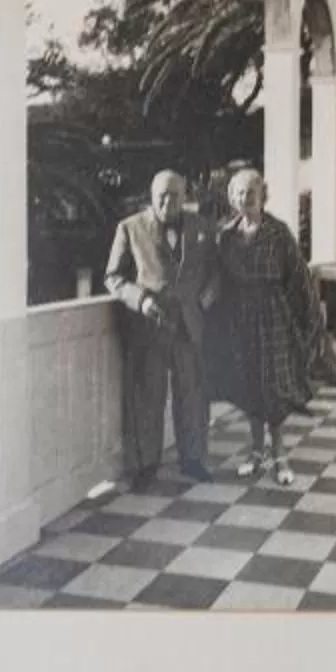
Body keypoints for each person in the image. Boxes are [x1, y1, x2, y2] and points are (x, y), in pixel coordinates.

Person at [208, 166, 330, 488]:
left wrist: (308, 321)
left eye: (251, 192)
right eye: (238, 193)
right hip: (241, 319)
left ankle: (280, 454)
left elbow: (300, 279)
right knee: (250, 386)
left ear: (263, 195)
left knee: (273, 386)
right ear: (231, 198)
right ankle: (256, 452)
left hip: (274, 317)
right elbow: (216, 278)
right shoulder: (226, 235)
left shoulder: (279, 233)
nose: (244, 198)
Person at [103, 167, 216, 483]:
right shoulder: (129, 228)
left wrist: (205, 299)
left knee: (192, 394)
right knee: (148, 395)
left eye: (175, 195)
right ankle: (145, 466)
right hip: (149, 327)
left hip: (189, 327)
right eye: (162, 196)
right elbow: (113, 278)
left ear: (185, 196)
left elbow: (215, 271)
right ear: (151, 198)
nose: (169, 202)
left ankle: (192, 459)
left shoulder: (202, 227)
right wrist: (140, 300)